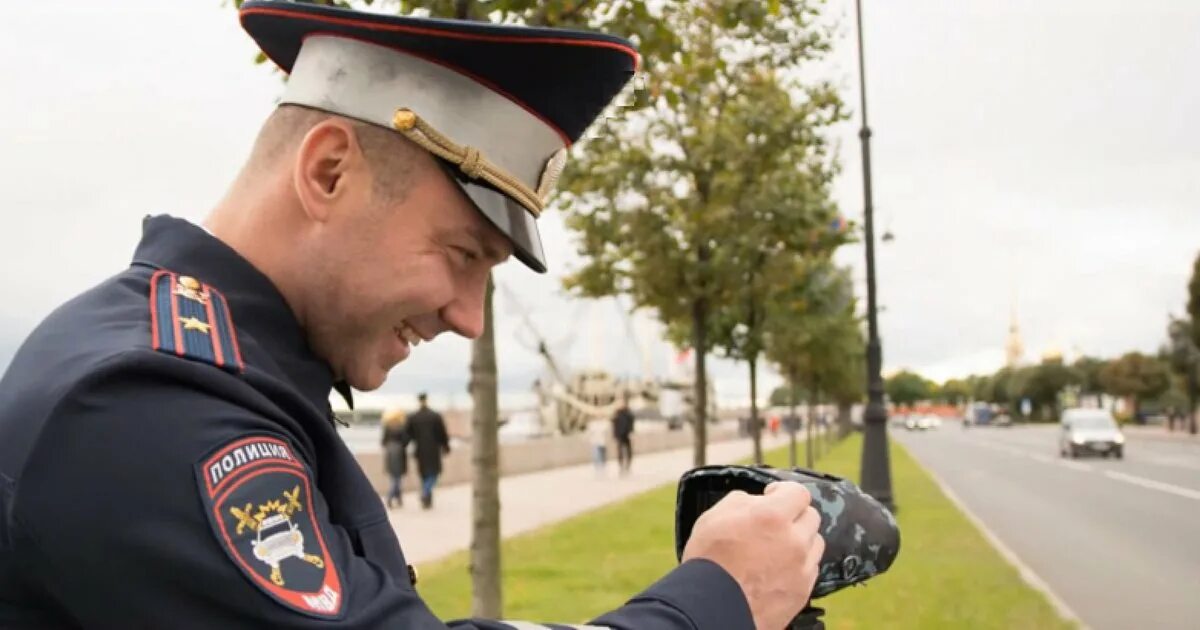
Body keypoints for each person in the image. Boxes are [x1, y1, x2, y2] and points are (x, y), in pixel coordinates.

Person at [0, 2, 825, 628]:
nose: (469, 318)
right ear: (327, 172)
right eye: (463, 255)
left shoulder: (223, 368)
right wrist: (718, 599)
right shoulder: (143, 405)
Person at [406, 393, 450, 509]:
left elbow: (407, 435)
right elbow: (442, 433)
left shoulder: (413, 417)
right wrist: (446, 446)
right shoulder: (435, 416)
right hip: (433, 450)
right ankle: (426, 493)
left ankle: (427, 499)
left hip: (420, 450)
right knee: (434, 474)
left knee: (424, 475)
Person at [380, 407, 411, 508]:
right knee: (397, 479)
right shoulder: (402, 427)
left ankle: (399, 498)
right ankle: (390, 496)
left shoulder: (387, 427)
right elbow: (406, 441)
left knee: (394, 477)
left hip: (390, 453)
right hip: (399, 453)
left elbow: (383, 442)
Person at [612, 394, 635, 475]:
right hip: (619, 435)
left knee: (628, 451)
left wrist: (631, 432)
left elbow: (631, 423)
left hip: (626, 434)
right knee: (620, 451)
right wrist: (615, 435)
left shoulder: (628, 413)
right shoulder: (616, 414)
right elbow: (614, 425)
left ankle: (628, 465)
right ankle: (621, 466)